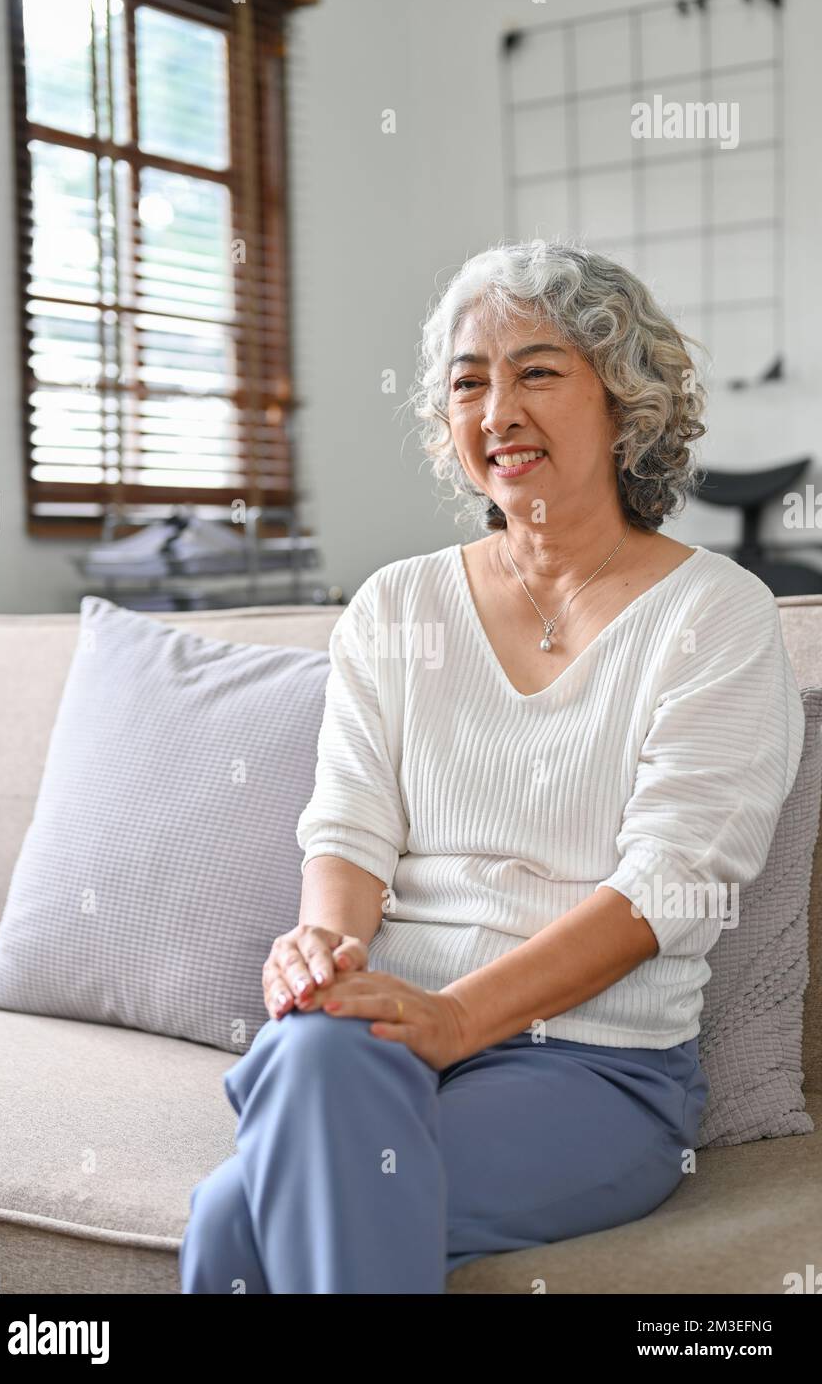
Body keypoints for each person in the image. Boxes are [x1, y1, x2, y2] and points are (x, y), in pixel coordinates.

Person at [180, 240, 805, 1294]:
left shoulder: (716, 615)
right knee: (318, 1052)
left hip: (595, 1068)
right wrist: (321, 954)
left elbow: (674, 886)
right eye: (469, 382)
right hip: (372, 1045)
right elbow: (348, 828)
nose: (497, 409)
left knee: (233, 1219)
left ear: (625, 401)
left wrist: (458, 1018)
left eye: (539, 372)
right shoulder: (395, 607)